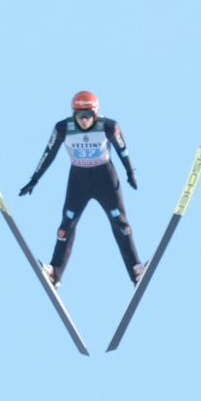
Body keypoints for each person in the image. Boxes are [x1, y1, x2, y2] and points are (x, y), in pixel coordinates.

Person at [19, 91, 143, 285]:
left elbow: (122, 150)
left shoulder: (109, 126)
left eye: (88, 116)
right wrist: (34, 179)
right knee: (66, 225)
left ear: (96, 114)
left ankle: (136, 271)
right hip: (79, 180)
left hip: (105, 179)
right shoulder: (63, 128)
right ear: (73, 114)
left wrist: (130, 173)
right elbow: (48, 153)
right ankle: (54, 273)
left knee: (120, 223)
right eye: (79, 116)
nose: (84, 121)